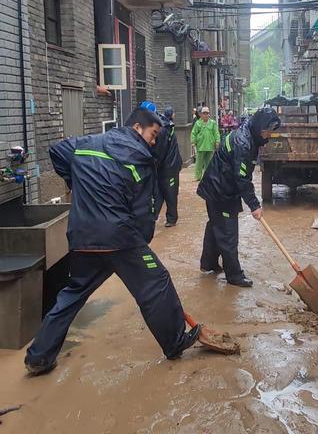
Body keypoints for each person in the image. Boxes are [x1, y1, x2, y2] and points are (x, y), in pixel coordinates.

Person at [24, 108, 200, 375]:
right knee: (156, 282)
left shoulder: (87, 144)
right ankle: (175, 343)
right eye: (153, 135)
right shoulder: (139, 159)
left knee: (73, 294)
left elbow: (57, 151)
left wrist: (77, 182)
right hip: (120, 239)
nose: (154, 142)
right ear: (138, 127)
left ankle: (38, 357)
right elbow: (143, 215)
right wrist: (141, 246)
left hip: (83, 237)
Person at [197, 107, 281, 287]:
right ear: (259, 127)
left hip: (221, 187)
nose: (268, 136)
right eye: (267, 131)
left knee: (215, 226)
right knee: (228, 232)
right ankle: (234, 275)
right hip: (220, 191)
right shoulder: (243, 142)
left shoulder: (249, 136)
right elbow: (242, 178)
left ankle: (208, 264)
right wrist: (254, 205)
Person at [142, 101, 183, 228]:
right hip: (162, 166)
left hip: (170, 166)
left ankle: (171, 219)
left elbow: (159, 152)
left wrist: (151, 166)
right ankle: (152, 218)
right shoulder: (157, 125)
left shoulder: (161, 129)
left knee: (169, 192)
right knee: (158, 192)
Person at [191, 106, 221, 181]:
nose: (205, 115)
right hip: (201, 146)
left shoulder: (213, 123)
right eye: (204, 113)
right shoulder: (198, 123)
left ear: (209, 114)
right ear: (201, 114)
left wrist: (217, 141)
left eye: (207, 113)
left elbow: (216, 133)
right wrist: (193, 142)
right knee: (199, 163)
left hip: (210, 146)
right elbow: (193, 133)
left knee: (209, 163)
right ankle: (197, 177)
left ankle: (207, 177)